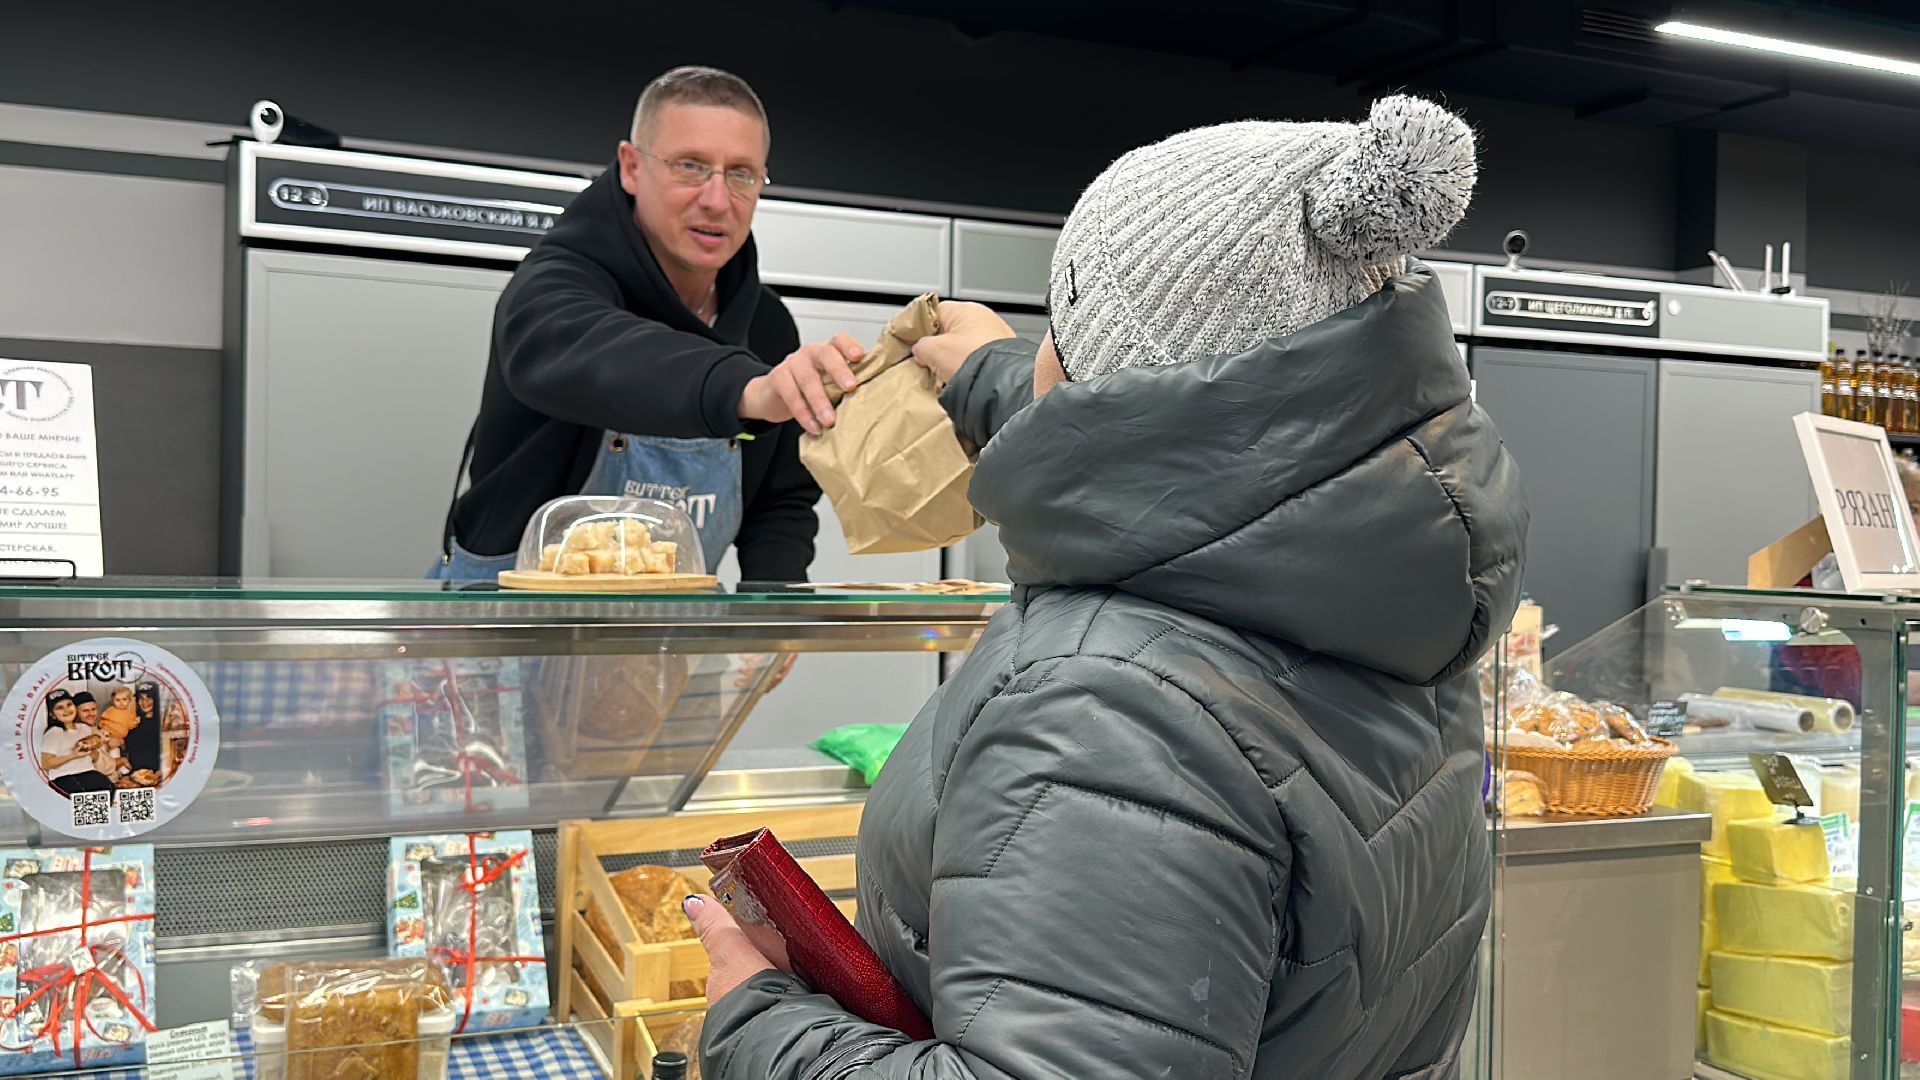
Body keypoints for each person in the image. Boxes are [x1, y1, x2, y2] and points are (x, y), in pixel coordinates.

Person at [686, 95, 1527, 1078]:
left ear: (1109, 375)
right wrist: (988, 373)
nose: (1038, 349)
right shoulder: (1383, 572)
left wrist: (756, 1023)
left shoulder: (1111, 716)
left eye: (1063, 320)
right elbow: (1192, 447)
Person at [436, 65, 867, 584]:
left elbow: (781, 502)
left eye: (741, 174)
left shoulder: (769, 326)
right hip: (505, 638)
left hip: (662, 643)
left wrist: (772, 613)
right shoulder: (554, 288)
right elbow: (597, 354)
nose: (717, 199)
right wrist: (746, 389)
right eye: (690, 165)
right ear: (631, 167)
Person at [40, 690, 114, 796]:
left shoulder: (85, 728)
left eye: (69, 705)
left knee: (109, 788)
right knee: (86, 795)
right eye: (60, 708)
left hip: (88, 772)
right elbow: (46, 763)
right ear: (52, 715)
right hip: (64, 776)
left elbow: (92, 756)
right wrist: (73, 755)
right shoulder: (54, 732)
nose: (66, 710)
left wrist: (94, 747)